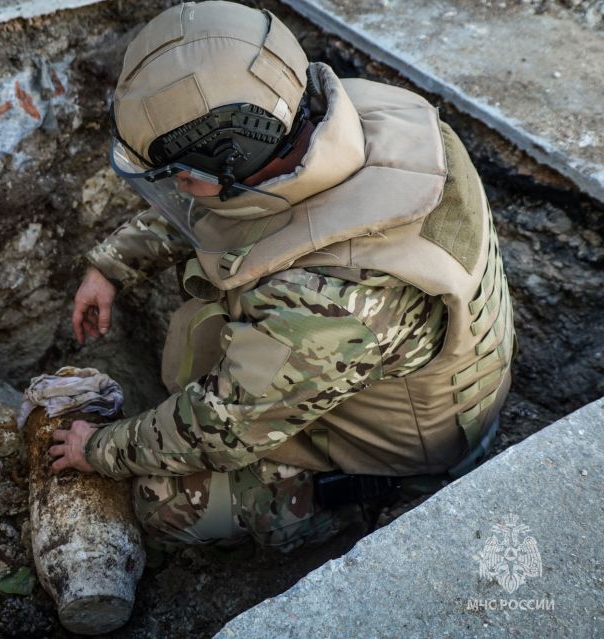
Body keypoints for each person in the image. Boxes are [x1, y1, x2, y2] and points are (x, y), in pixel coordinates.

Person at [47, 0, 515, 551]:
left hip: (401, 450)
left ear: (231, 158)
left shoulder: (332, 298)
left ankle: (372, 507)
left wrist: (96, 447)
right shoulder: (341, 118)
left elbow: (219, 429)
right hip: (384, 369)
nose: (177, 190)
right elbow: (222, 206)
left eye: (181, 177)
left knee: (161, 500)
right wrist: (113, 263)